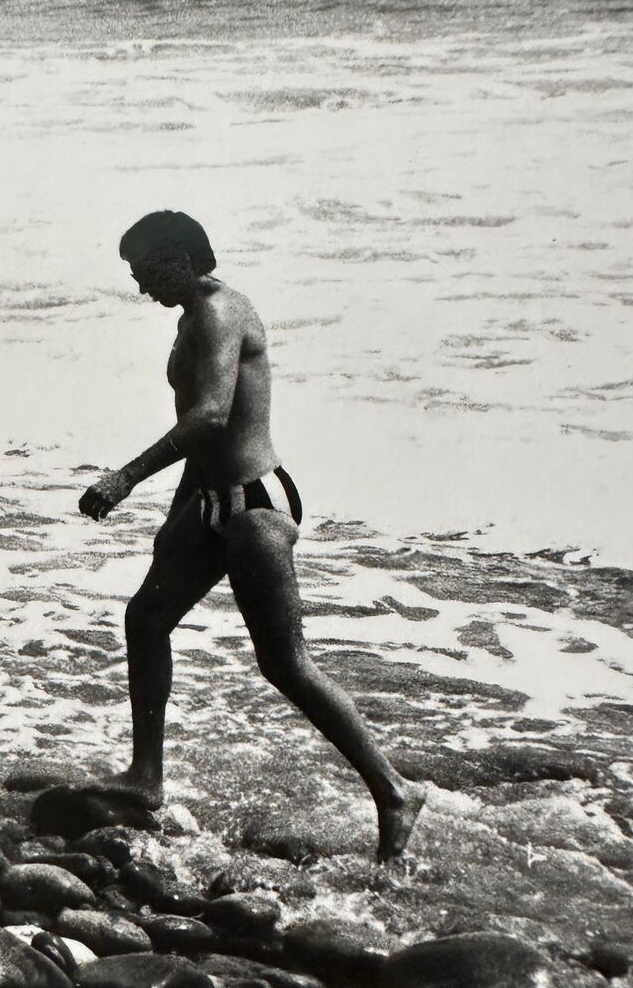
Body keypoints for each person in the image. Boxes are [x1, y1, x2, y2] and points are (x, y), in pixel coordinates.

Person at [78, 209, 425, 864]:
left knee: (284, 662)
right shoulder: (190, 316)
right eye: (134, 275)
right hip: (209, 503)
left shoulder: (221, 311)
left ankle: (395, 791)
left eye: (148, 271)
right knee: (147, 616)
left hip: (256, 508)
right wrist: (173, 528)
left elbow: (210, 416)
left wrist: (125, 477)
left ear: (181, 259)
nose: (142, 287)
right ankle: (146, 778)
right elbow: (203, 430)